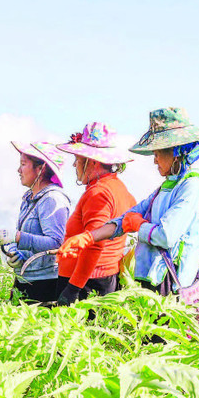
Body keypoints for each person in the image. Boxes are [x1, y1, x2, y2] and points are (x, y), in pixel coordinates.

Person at [57, 107, 199, 299]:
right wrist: (87, 238)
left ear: (175, 152)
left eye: (157, 153)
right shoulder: (165, 188)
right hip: (153, 281)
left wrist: (139, 225)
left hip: (173, 285)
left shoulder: (193, 188)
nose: (154, 160)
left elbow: (166, 236)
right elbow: (125, 220)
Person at [54, 122, 137, 306]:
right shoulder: (119, 188)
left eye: (77, 159)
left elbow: (94, 245)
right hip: (105, 279)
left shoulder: (98, 193)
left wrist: (73, 289)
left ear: (92, 161)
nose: (74, 164)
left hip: (87, 284)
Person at [0, 142, 70, 304]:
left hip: (45, 283)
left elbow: (56, 243)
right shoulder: (29, 198)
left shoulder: (52, 199)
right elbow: (31, 241)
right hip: (26, 278)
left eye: (23, 164)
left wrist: (18, 236)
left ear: (40, 169)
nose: (19, 170)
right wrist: (17, 254)